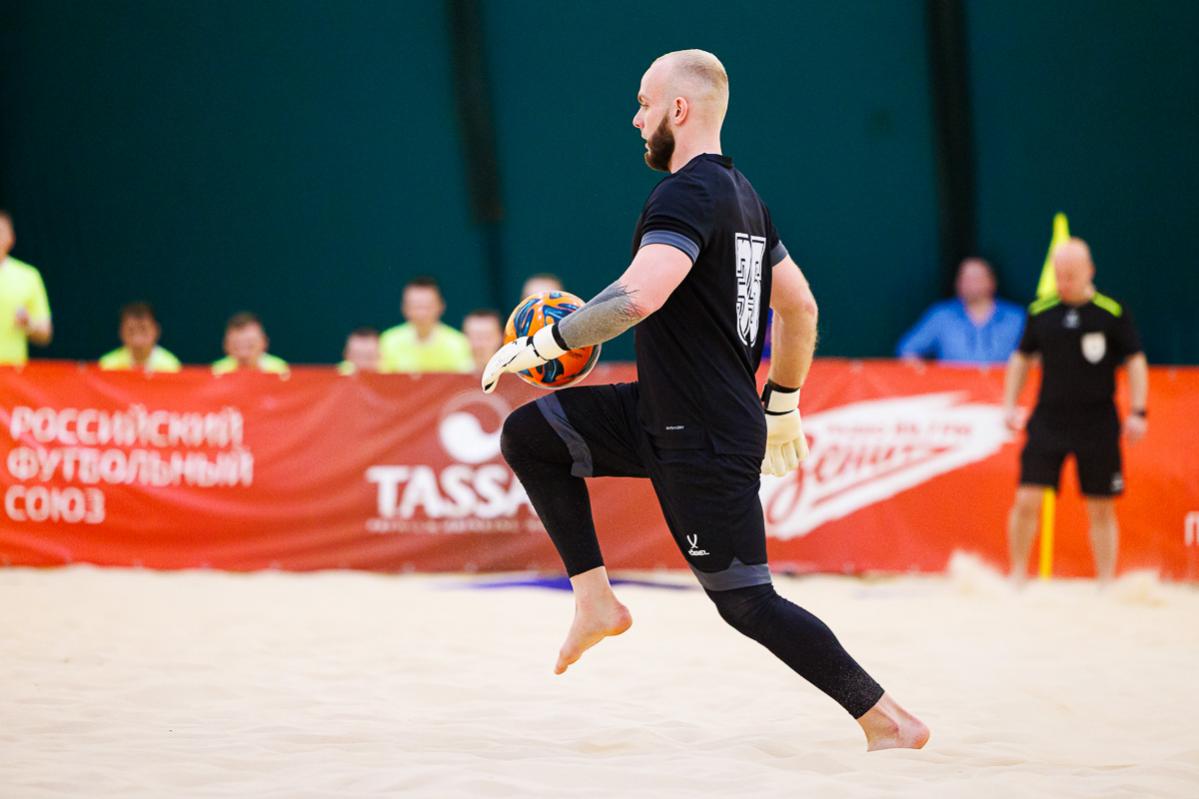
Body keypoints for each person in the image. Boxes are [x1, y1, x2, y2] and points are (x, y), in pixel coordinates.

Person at [483, 50, 928, 751]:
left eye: (643, 103)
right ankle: (595, 601)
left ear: (678, 109)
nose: (636, 119)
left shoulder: (685, 193)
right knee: (531, 435)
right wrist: (781, 402)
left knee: (747, 602)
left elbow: (637, 298)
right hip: (663, 412)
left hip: (703, 435)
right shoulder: (744, 198)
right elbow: (801, 307)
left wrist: (545, 342)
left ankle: (889, 721)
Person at [1003, 238, 1148, 584]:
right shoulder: (1041, 312)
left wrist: (1139, 411)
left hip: (1097, 422)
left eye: (1071, 275)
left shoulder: (1111, 312)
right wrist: (1009, 404)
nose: (1064, 282)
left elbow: (1135, 361)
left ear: (1089, 271)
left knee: (1101, 505)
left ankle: (1105, 582)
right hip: (1049, 419)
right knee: (1026, 498)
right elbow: (1021, 358)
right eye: (1059, 275)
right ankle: (1018, 575)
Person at [896, 257, 1024, 364]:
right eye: (965, 278)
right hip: (952, 385)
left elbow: (1033, 356)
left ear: (992, 282)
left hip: (1002, 385)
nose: (971, 284)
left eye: (977, 278)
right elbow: (907, 350)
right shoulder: (941, 315)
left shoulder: (1016, 317)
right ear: (957, 283)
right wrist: (925, 375)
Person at [378, 276, 473, 373]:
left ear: (441, 306)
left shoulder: (458, 343)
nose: (421, 313)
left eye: (427, 306)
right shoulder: (389, 341)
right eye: (416, 306)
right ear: (404, 308)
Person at [0, 210, 53, 365]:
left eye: (1, 231)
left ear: (11, 237)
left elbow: (46, 333)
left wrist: (28, 324)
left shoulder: (29, 276)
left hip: (13, 371)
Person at [99, 302, 181, 372]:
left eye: (143, 329)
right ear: (121, 332)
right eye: (131, 330)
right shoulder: (107, 365)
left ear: (156, 330)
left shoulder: (171, 366)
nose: (137, 335)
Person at [212, 312, 289, 374]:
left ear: (264, 342)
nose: (243, 350)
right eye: (237, 344)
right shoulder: (216, 371)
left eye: (250, 342)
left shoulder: (279, 370)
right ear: (225, 345)